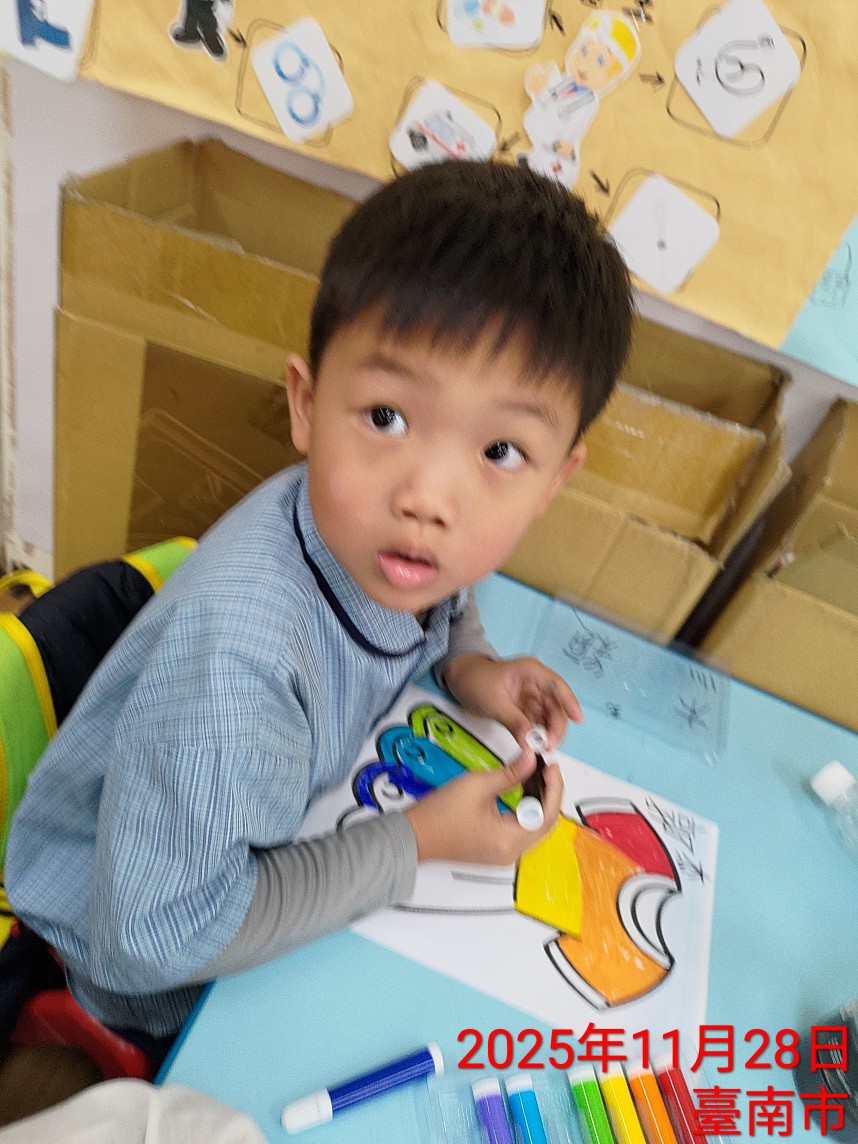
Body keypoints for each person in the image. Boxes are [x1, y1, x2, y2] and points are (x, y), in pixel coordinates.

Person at [5, 158, 633, 1055]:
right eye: (386, 417)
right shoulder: (240, 672)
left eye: (500, 451)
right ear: (305, 405)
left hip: (262, 846)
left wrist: (473, 666)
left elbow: (446, 599)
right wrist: (415, 842)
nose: (429, 498)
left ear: (553, 481)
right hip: (140, 984)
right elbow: (152, 939)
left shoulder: (387, 543)